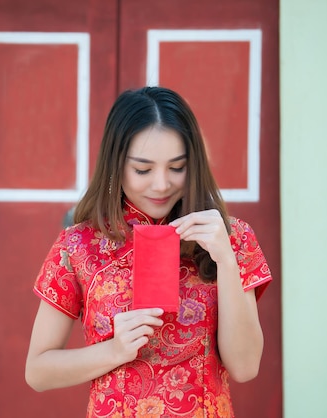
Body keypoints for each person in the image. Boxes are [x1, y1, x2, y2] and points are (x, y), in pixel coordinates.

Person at [25, 86, 272, 417]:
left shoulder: (231, 237)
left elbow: (244, 368)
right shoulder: (78, 245)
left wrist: (226, 261)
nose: (161, 184)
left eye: (177, 167)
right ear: (116, 164)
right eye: (143, 169)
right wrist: (114, 351)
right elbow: (38, 372)